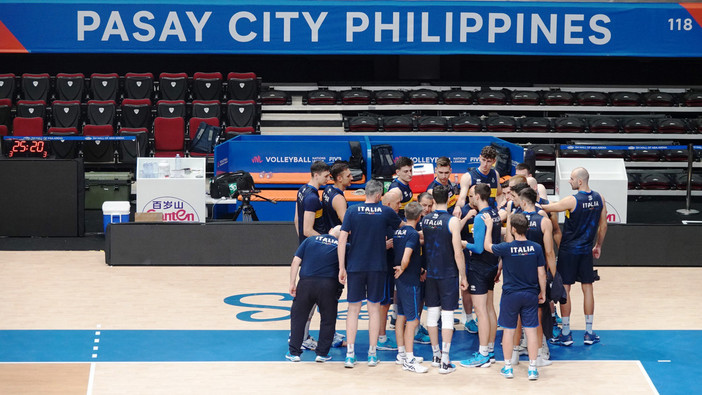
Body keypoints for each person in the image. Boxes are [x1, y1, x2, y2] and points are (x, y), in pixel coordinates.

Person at [338, 180, 403, 368]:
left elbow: (342, 239)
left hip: (355, 266)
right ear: (378, 196)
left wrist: (342, 266)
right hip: (377, 266)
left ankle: (350, 355)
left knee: (353, 310)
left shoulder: (351, 211)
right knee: (373, 309)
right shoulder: (386, 211)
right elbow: (405, 228)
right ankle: (372, 354)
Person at [542, 167, 607, 346]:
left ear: (580, 181)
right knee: (588, 288)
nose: (569, 181)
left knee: (565, 290)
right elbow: (603, 226)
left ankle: (566, 333)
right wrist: (598, 245)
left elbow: (547, 207)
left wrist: (532, 201)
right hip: (586, 251)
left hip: (568, 251)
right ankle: (588, 333)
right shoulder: (599, 198)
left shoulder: (572, 200)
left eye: (571, 179)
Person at [481, 212, 547, 381]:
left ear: (512, 229)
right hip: (530, 294)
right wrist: (543, 292)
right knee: (531, 332)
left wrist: (489, 227)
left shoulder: (506, 247)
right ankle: (532, 369)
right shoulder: (536, 248)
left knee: (509, 332)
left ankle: (508, 367)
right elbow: (541, 273)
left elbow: (487, 246)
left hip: (511, 296)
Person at [506, 187, 557, 367]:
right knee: (537, 313)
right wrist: (554, 275)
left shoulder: (514, 220)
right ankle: (541, 353)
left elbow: (507, 247)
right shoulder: (544, 221)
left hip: (516, 273)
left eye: (518, 199)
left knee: (516, 315)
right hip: (536, 273)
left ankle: (514, 354)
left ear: (524, 201)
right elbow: (550, 252)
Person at [421, 184, 468, 374]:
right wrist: (463, 275)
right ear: (449, 200)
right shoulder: (453, 221)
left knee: (432, 315)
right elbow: (458, 252)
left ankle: (435, 355)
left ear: (432, 201)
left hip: (431, 273)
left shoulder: (425, 220)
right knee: (447, 316)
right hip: (448, 273)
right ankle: (445, 360)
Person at [286, 226, 344, 363]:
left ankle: (294, 353)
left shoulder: (310, 240)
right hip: (328, 285)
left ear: (330, 230)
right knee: (328, 319)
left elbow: (295, 261)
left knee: (298, 317)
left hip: (306, 283)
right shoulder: (343, 246)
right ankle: (322, 354)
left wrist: (292, 283)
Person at [460, 184, 501, 369]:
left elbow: (477, 247)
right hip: (492, 265)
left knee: (480, 311)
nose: (470, 198)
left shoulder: (479, 218)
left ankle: (483, 354)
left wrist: (463, 243)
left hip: (479, 267)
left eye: (471, 196)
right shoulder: (495, 214)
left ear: (477, 196)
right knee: (490, 308)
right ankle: (490, 351)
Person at [392, 202, 428, 373]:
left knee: (401, 316)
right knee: (413, 321)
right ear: (419, 216)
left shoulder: (399, 232)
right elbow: (406, 256)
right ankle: (410, 359)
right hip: (409, 282)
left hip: (401, 281)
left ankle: (402, 354)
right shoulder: (413, 234)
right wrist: (403, 267)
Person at [378, 189, 403, 351]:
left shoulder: (394, 219)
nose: (400, 206)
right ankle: (381, 338)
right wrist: (384, 246)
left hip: (392, 266)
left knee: (389, 302)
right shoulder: (379, 221)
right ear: (387, 205)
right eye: (397, 203)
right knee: (383, 303)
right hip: (382, 268)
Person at [455, 145, 501, 216]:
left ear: (494, 161)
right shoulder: (468, 177)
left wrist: (499, 206)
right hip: (474, 212)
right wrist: (457, 207)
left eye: (489, 161)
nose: (485, 164)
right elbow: (462, 198)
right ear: (479, 158)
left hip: (491, 211)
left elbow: (499, 193)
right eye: (483, 160)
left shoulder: (495, 174)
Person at [294, 160, 331, 245]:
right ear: (316, 175)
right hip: (315, 245)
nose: (328, 179)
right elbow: (307, 231)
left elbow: (296, 219)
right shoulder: (312, 198)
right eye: (326, 176)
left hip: (307, 243)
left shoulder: (302, 189)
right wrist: (326, 242)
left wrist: (302, 241)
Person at [322, 161, 353, 231]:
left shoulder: (327, 189)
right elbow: (347, 227)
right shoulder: (339, 199)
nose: (352, 178)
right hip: (336, 238)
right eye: (348, 176)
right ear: (339, 178)